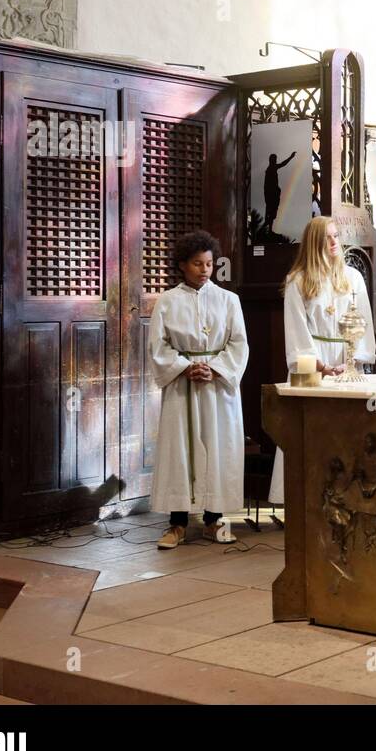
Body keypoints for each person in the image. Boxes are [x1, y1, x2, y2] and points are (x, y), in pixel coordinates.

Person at [269, 216, 376, 507]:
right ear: (314, 243)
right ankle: (303, 498)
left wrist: (353, 361)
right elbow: (296, 330)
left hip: (347, 365)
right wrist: (321, 366)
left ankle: (346, 496)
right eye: (327, 238)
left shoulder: (352, 278)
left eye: (336, 236)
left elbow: (364, 323)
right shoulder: (298, 281)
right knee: (309, 430)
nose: (333, 243)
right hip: (313, 367)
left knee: (347, 430)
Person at [150, 231, 248, 548]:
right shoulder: (167, 301)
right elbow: (158, 346)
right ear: (182, 265)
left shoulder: (228, 300)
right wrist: (184, 366)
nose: (205, 269)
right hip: (182, 384)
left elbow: (239, 344)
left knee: (218, 446)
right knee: (180, 448)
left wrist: (215, 368)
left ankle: (213, 519)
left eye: (209, 263)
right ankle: (176, 524)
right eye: (197, 263)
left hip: (217, 386)